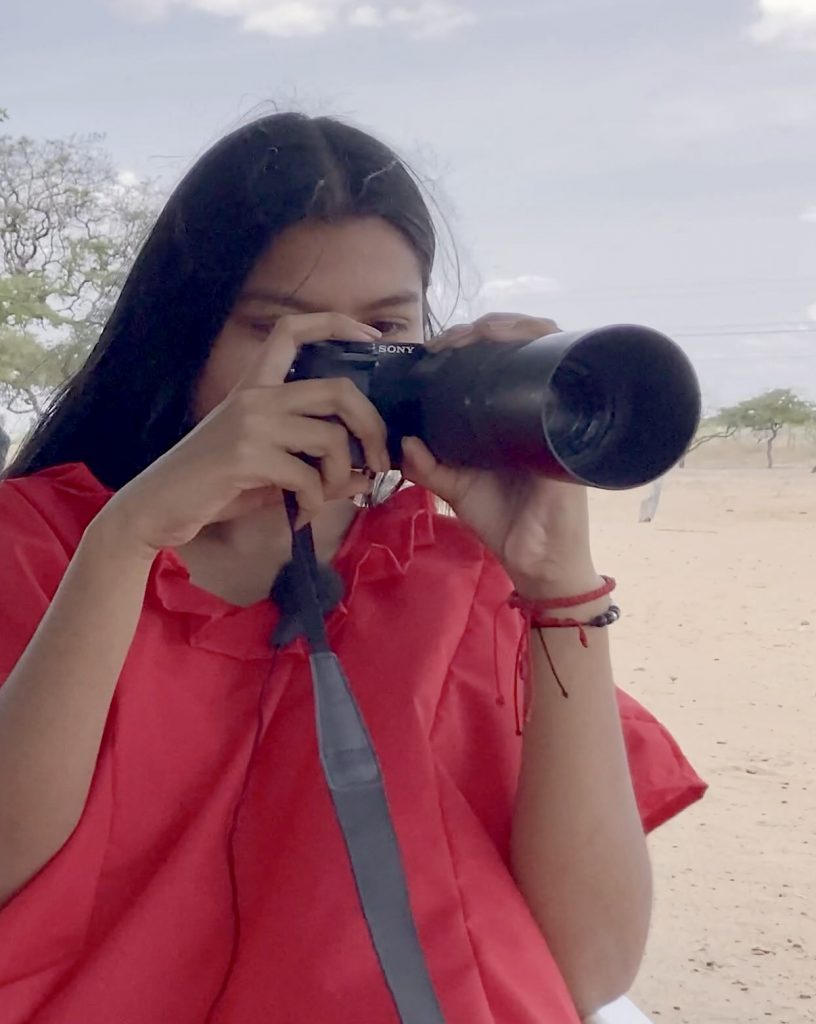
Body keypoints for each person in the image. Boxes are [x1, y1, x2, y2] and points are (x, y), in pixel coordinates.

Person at [0, 113, 705, 1024]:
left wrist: (553, 583)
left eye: (383, 329)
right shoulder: (40, 545)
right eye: (276, 328)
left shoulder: (454, 584)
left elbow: (590, 967)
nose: (331, 372)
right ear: (184, 337)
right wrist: (129, 537)